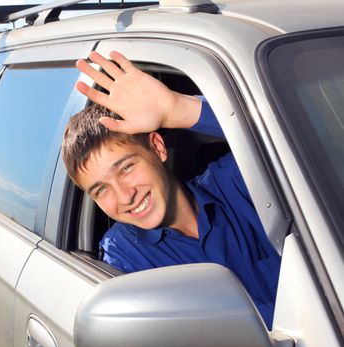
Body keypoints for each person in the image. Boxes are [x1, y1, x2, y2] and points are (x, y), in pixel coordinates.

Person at [62, 50, 281, 329]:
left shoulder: (233, 183)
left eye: (126, 168)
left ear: (157, 147)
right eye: (101, 190)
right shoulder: (125, 260)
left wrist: (177, 109)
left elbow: (297, 135)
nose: (125, 196)